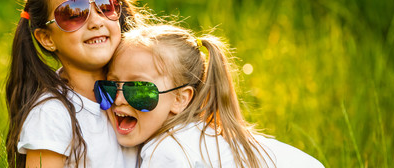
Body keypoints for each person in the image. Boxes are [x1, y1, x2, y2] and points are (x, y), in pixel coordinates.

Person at [94, 24, 325, 167]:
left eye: (139, 89)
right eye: (111, 85)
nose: (119, 99)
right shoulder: (200, 134)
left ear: (180, 99)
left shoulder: (166, 151)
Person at [5, 0, 144, 168]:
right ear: (46, 38)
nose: (96, 21)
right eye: (74, 13)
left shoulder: (145, 88)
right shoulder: (52, 115)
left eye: (104, 5)